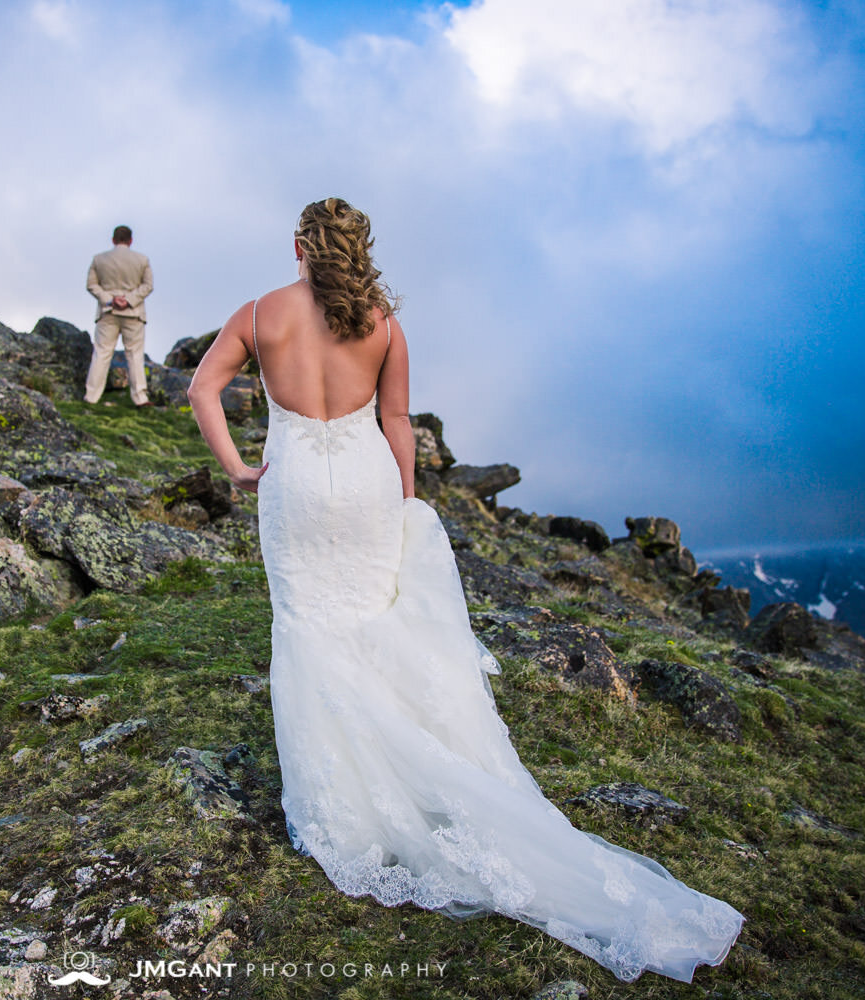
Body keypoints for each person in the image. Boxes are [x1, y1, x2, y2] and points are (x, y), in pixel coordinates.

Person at [186, 197, 744, 983]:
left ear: (301, 248)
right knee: (378, 622)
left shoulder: (257, 313)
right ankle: (417, 767)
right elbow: (398, 419)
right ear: (356, 250)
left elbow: (201, 391)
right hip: (369, 486)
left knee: (310, 629)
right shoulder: (381, 322)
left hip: (297, 490)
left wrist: (239, 469)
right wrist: (406, 500)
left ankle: (343, 807)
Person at [85, 225, 154, 407]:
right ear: (131, 240)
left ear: (113, 239)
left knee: (102, 352)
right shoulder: (142, 260)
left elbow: (92, 285)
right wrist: (129, 300)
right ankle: (140, 397)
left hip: (108, 312)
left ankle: (91, 397)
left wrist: (110, 300)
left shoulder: (99, 260)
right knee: (135, 354)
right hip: (134, 313)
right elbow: (148, 286)